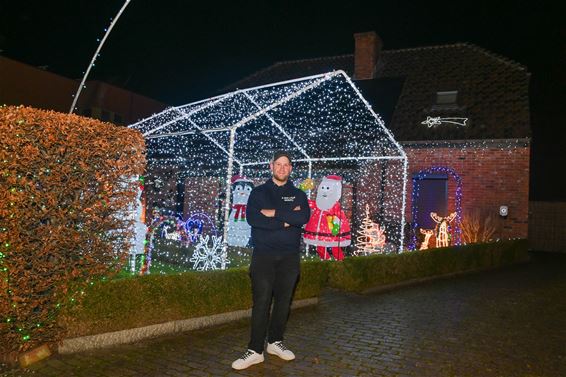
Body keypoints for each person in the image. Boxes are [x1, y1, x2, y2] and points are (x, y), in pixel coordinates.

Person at [231, 150, 311, 370]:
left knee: (283, 303)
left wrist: (272, 213)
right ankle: (255, 350)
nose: (282, 168)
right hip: (263, 256)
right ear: (271, 166)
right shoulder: (258, 193)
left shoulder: (299, 195)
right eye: (279, 164)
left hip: (289, 257)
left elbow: (302, 217)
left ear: (291, 168)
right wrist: (286, 218)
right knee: (262, 302)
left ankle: (275, 342)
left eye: (286, 165)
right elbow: (254, 218)